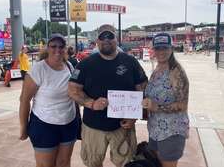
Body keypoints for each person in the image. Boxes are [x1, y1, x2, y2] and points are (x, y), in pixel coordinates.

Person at [68, 24, 148, 167]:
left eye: (110, 36)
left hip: (123, 127)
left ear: (116, 39)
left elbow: (142, 88)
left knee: (126, 163)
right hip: (93, 127)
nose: (106, 40)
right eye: (102, 37)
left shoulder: (130, 62)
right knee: (92, 163)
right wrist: (91, 103)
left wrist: (134, 115)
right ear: (97, 41)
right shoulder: (86, 64)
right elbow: (73, 90)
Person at [19, 33, 78, 167]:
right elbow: (24, 100)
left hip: (69, 124)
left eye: (61, 46)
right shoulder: (38, 69)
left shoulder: (69, 66)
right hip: (44, 125)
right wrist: (23, 127)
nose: (57, 50)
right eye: (53, 46)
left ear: (65, 48)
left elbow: (76, 91)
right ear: (47, 48)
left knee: (64, 163)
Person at [142, 33, 189, 167]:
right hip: (156, 128)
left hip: (171, 131)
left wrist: (157, 107)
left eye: (165, 48)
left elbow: (182, 105)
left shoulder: (176, 72)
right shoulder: (158, 68)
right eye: (158, 48)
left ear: (171, 49)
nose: (161, 52)